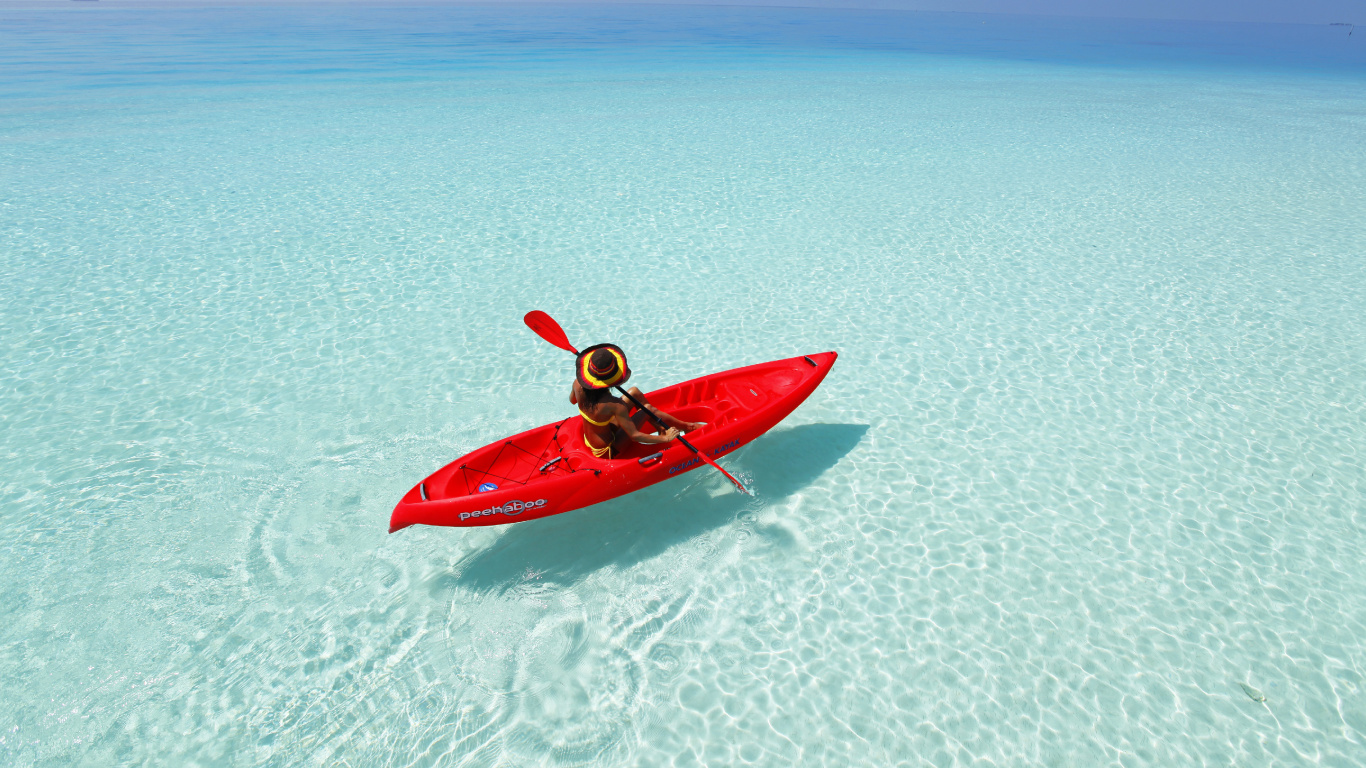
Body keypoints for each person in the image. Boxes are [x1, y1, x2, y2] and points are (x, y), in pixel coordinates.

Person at [570, 343, 702, 459]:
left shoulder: (577, 384)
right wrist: (665, 438)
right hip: (608, 450)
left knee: (634, 392)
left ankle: (661, 427)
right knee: (647, 409)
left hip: (596, 435)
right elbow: (634, 436)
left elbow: (573, 401)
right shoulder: (614, 405)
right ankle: (687, 427)